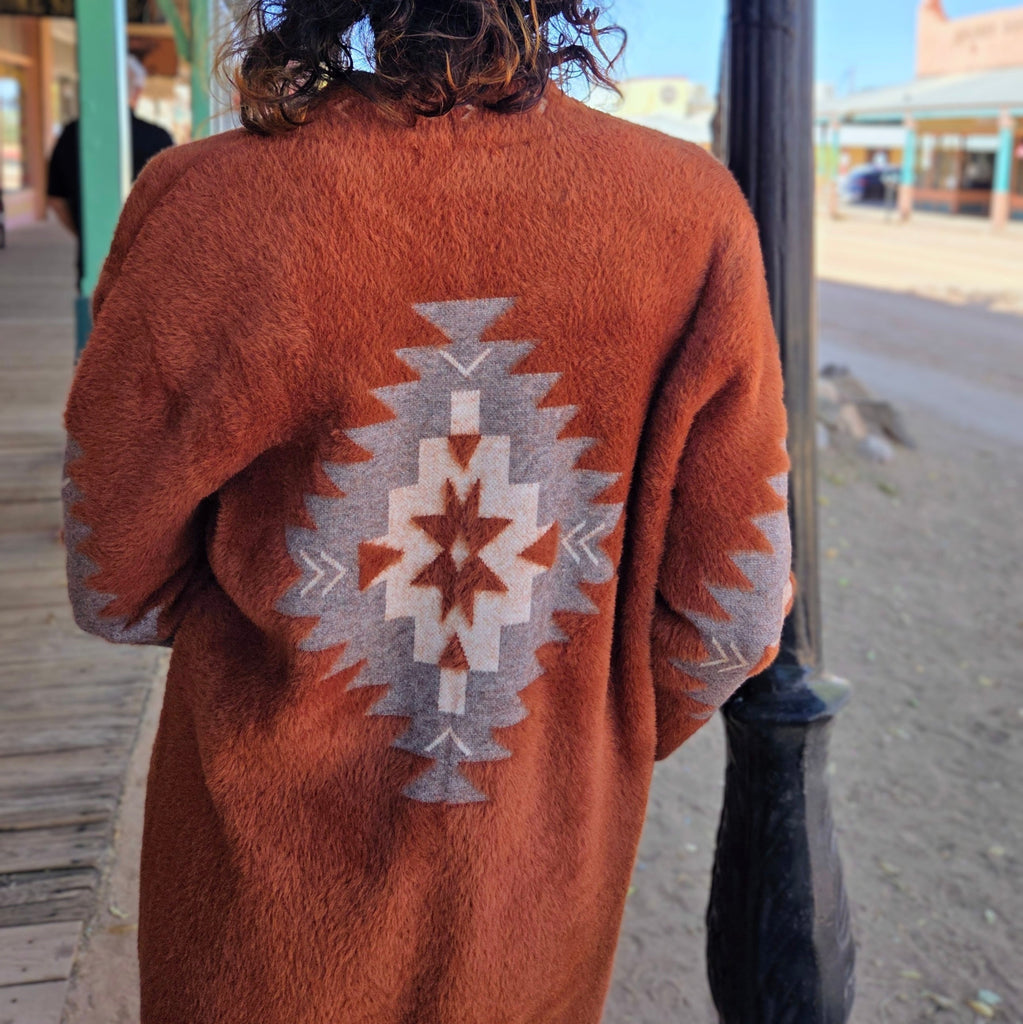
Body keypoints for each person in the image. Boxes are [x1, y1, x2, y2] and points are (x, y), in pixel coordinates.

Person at [62, 3, 793, 1022]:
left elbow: (110, 582)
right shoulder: (693, 215)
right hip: (532, 904)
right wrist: (579, 733)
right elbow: (733, 617)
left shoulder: (205, 200)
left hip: (253, 902)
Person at [47, 55, 173, 288]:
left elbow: (56, 200)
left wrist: (86, 232)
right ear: (137, 92)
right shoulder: (159, 138)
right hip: (150, 260)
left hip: (92, 260)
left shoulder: (71, 134)